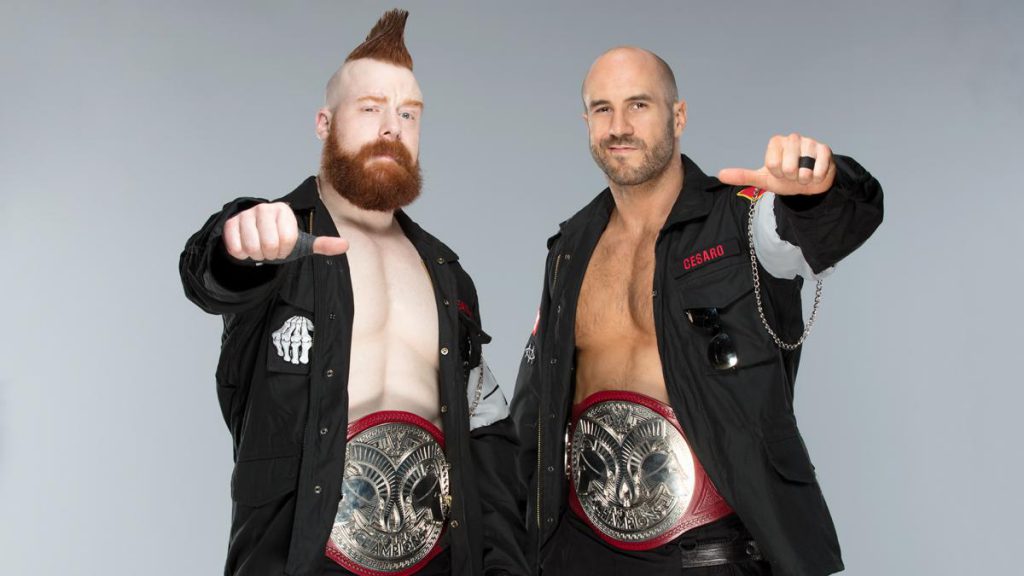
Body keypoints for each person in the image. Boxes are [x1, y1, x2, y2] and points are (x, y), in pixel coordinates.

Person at [509, 46, 883, 576]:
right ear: (587, 121)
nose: (619, 126)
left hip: (709, 555)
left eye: (639, 105)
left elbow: (827, 224)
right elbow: (535, 407)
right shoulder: (570, 247)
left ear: (678, 116)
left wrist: (818, 186)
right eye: (602, 109)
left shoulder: (745, 220)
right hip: (579, 551)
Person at [179, 10, 527, 576]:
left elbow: (484, 426)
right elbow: (209, 274)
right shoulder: (280, 237)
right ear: (325, 122)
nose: (392, 127)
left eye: (408, 113)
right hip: (301, 557)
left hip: (439, 560)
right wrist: (237, 239)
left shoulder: (446, 273)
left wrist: (505, 563)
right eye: (370, 108)